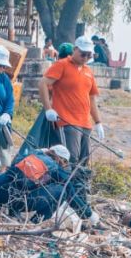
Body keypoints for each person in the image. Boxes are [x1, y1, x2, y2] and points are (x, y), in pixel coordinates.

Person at [0, 144, 98, 225]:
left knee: (19, 184)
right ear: (60, 159)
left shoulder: (29, 153)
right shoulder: (54, 167)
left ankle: (12, 212)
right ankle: (36, 223)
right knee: (61, 191)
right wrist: (89, 214)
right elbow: (70, 192)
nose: (64, 166)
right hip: (14, 198)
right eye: (64, 163)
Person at [39, 35, 105, 164]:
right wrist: (48, 109)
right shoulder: (62, 65)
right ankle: (66, 184)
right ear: (75, 49)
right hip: (67, 121)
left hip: (85, 123)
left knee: (84, 160)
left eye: (89, 55)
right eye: (83, 54)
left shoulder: (88, 71)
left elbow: (91, 98)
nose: (85, 58)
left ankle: (79, 184)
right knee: (70, 158)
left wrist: (98, 122)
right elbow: (43, 83)